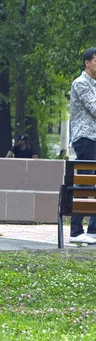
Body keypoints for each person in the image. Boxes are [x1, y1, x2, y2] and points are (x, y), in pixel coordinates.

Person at [69, 48, 96, 244]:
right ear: (87, 62)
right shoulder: (80, 84)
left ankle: (93, 230)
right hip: (86, 139)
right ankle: (76, 231)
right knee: (85, 183)